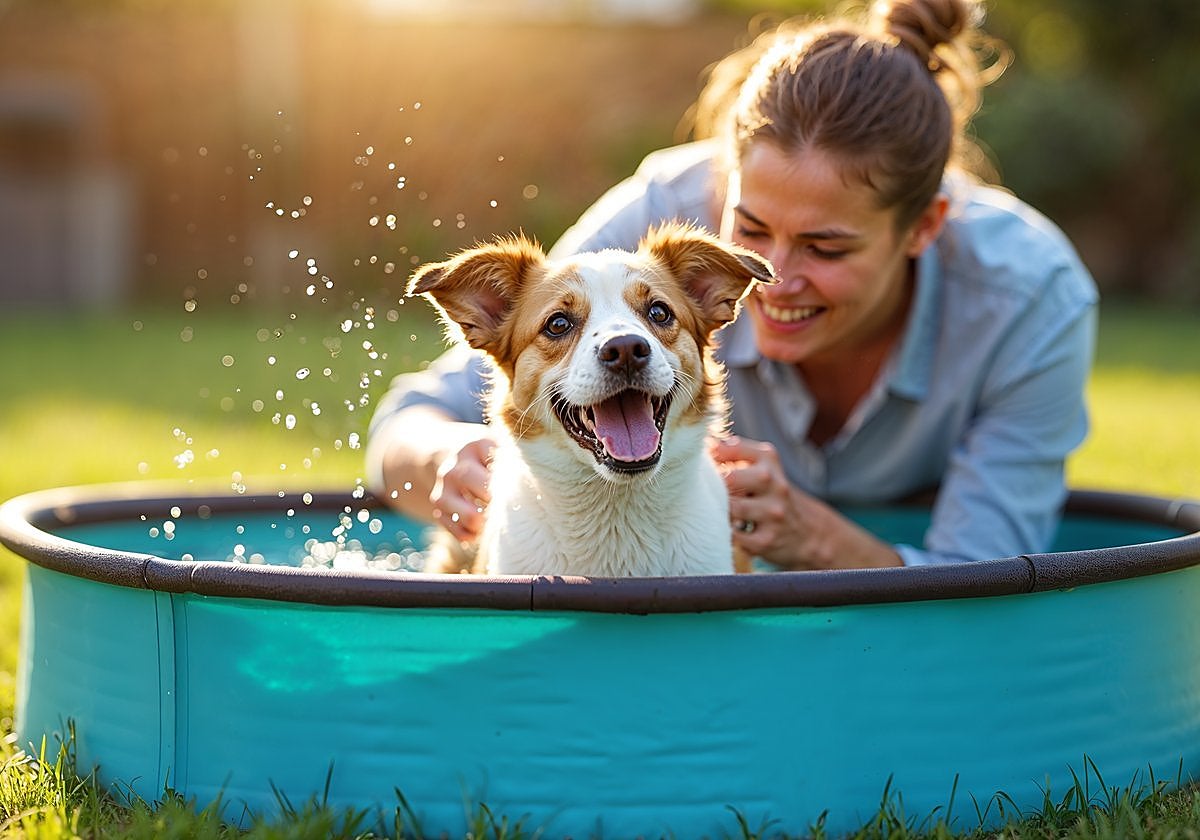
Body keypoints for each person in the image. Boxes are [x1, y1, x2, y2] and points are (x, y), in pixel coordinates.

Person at [365, 0, 1098, 570]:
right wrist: (442, 461)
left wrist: (813, 539)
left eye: (825, 246)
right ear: (725, 177)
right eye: (750, 226)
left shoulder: (1032, 300)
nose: (772, 278)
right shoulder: (656, 228)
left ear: (924, 228)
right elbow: (414, 416)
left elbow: (990, 583)